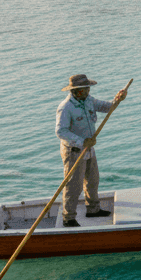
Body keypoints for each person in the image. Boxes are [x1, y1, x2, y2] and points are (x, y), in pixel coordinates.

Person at [55, 74, 129, 226]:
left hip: (89, 148)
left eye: (88, 88)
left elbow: (107, 107)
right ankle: (68, 218)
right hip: (74, 150)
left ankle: (93, 209)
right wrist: (82, 141)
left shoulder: (89, 100)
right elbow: (60, 131)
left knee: (92, 180)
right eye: (85, 88)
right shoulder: (66, 107)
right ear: (76, 91)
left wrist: (118, 99)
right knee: (73, 186)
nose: (88, 90)